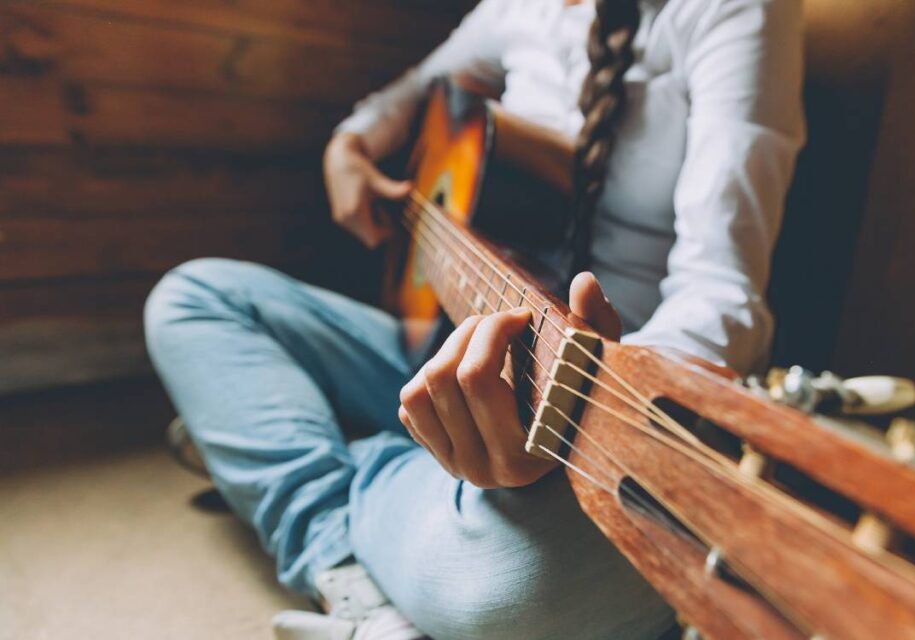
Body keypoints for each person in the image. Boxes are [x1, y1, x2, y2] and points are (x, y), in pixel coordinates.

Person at [144, 0, 805, 638]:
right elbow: (405, 95)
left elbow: (723, 298)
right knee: (193, 297)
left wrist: (596, 406)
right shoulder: (511, 10)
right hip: (431, 343)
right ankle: (347, 545)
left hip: (583, 409)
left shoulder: (731, 8)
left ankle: (312, 453)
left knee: (528, 589)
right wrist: (348, 145)